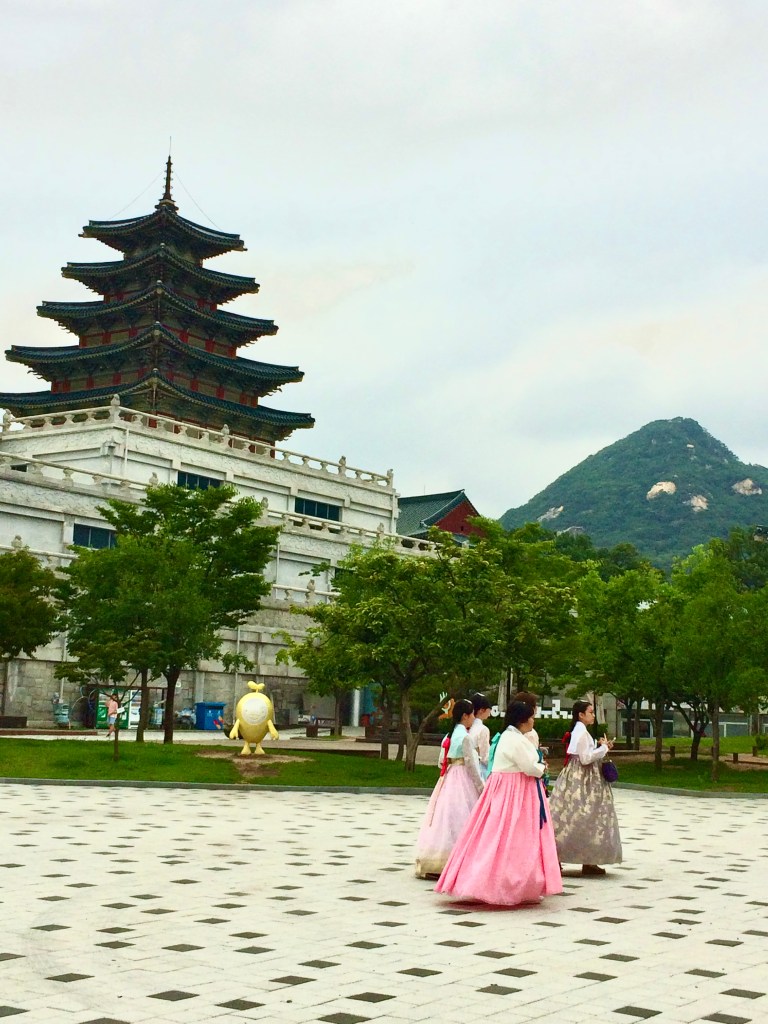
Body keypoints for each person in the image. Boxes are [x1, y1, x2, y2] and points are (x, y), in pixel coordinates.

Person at [435, 701, 562, 906]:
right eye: (530, 716)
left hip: (512, 788)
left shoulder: (510, 736)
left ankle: (518, 882)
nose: (533, 720)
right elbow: (529, 766)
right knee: (511, 837)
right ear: (522, 719)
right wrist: (541, 768)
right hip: (515, 790)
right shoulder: (514, 739)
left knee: (505, 836)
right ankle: (503, 883)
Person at [549, 700, 622, 876]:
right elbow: (585, 758)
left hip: (582, 776)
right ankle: (579, 858)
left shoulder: (581, 732)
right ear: (581, 715)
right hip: (583, 778)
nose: (593, 715)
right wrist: (603, 748)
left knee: (580, 816)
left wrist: (601, 747)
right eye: (590, 712)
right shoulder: (581, 733)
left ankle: (587, 859)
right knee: (583, 815)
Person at [414, 698, 484, 879]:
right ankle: (461, 861)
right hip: (463, 778)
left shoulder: (449, 736)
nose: (473, 719)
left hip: (449, 776)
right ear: (465, 716)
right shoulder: (466, 738)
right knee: (463, 816)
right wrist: (481, 787)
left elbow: (440, 762)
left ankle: (437, 860)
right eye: (471, 715)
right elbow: (472, 766)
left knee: (445, 818)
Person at [469, 693, 492, 778]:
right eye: (489, 710)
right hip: (479, 770)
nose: (489, 714)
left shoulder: (465, 727)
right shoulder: (483, 729)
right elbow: (485, 757)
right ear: (482, 710)